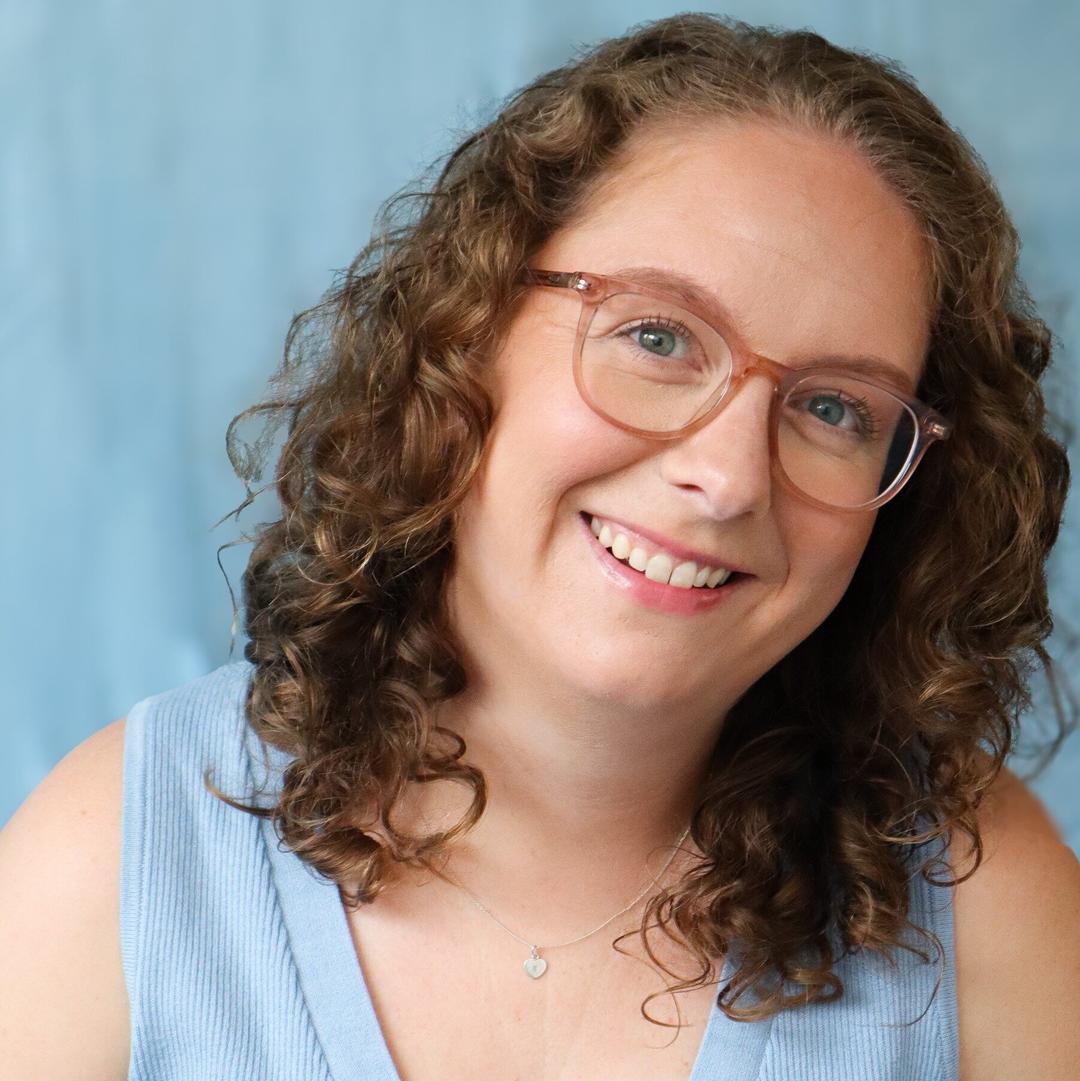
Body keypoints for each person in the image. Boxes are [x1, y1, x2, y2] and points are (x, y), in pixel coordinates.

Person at [2, 12, 1078, 1081]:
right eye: (657, 336)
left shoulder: (985, 906)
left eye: (836, 409)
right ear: (467, 332)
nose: (730, 478)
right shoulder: (118, 862)